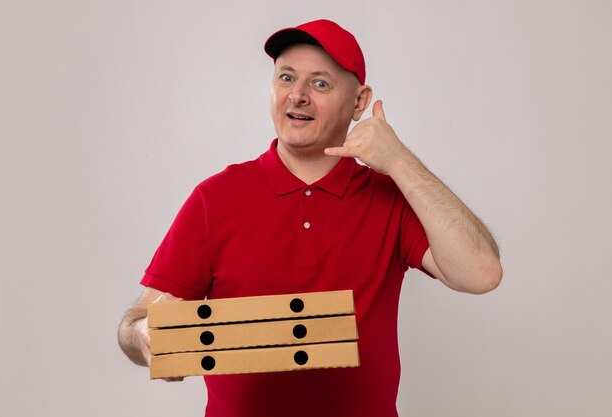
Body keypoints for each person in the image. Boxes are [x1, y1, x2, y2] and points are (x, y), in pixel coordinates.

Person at [118, 19, 502, 417]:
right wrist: (146, 335)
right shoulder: (214, 198)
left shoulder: (391, 197)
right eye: (286, 78)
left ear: (359, 101)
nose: (297, 96)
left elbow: (482, 273)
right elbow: (136, 322)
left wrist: (400, 162)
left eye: (320, 84)